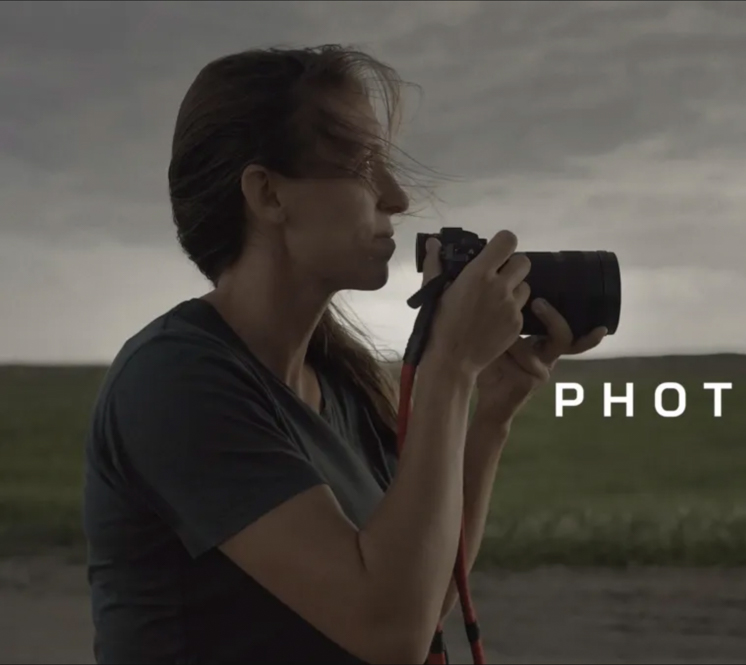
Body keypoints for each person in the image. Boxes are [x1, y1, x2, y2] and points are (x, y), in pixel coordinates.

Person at [81, 44, 608, 664]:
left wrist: (488, 411)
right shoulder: (174, 382)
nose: (395, 197)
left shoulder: (337, 383)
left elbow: (421, 592)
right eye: (362, 163)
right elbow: (390, 632)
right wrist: (447, 370)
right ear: (268, 194)